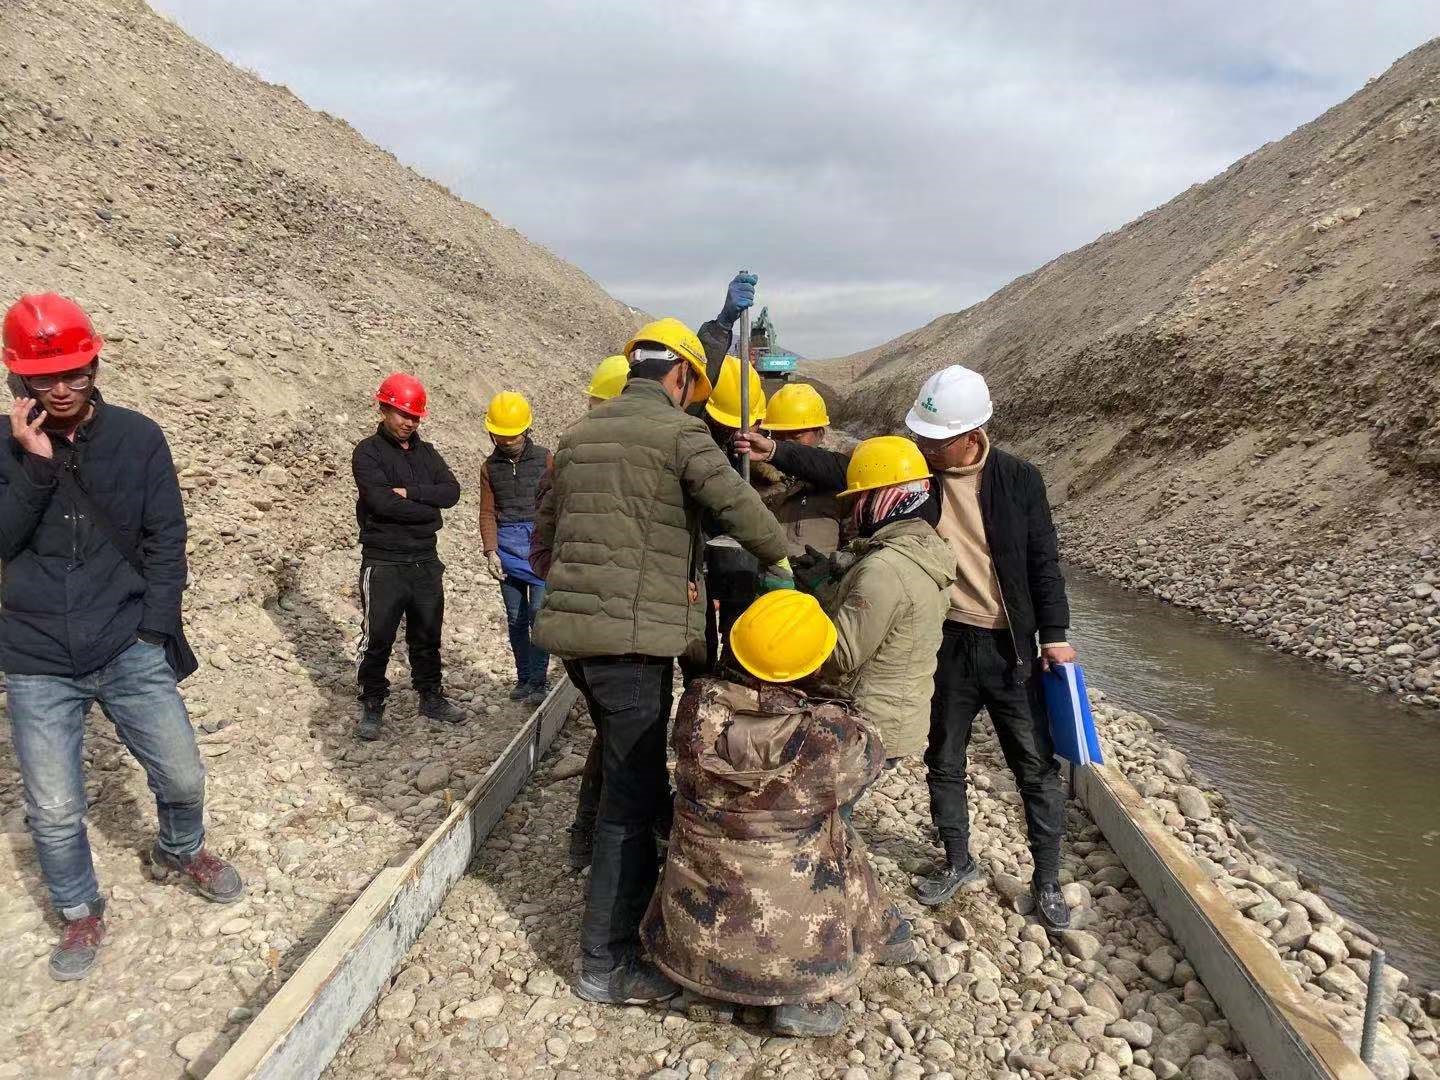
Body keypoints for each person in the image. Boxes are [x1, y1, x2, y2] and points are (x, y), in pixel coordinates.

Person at [735, 365, 1076, 930]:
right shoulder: (918, 475)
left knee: (1035, 764)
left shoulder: (1019, 479)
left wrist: (1056, 635)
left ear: (971, 435)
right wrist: (777, 450)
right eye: (922, 438)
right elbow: (848, 469)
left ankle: (1047, 880)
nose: (925, 448)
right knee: (944, 755)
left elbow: (1044, 560)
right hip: (947, 636)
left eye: (936, 441)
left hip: (1009, 643)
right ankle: (957, 858)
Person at [531, 316, 791, 1005]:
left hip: (578, 644)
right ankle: (605, 962)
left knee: (627, 773)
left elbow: (545, 539)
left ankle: (631, 908)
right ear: (679, 376)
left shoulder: (577, 437)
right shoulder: (679, 435)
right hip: (633, 647)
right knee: (631, 798)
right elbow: (740, 508)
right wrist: (783, 560)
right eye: (691, 386)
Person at [1, 293, 243, 982]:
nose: (62, 388)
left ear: (95, 365)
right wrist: (35, 465)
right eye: (45, 377)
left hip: (126, 642)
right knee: (54, 808)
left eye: (75, 371)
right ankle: (79, 911)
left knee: (182, 772)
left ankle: (179, 849)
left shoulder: (138, 438)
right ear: (19, 379)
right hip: (35, 656)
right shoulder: (3, 446)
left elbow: (167, 537)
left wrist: (153, 629)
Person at [641, 591, 918, 1038]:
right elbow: (872, 758)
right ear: (814, 664)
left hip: (697, 929)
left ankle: (709, 989)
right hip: (792, 948)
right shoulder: (830, 734)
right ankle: (799, 998)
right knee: (839, 840)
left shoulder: (698, 705)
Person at [819, 437, 956, 763]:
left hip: (869, 722)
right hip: (897, 718)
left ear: (883, 499)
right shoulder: (926, 547)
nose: (855, 512)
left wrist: (811, 605)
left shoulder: (884, 569)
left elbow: (840, 656)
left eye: (861, 499)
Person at [351, 373, 465, 740]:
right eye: (402, 414)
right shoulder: (367, 452)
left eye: (415, 416)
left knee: (428, 633)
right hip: (384, 560)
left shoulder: (427, 453)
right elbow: (380, 502)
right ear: (384, 408)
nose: (409, 422)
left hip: (424, 560)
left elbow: (451, 492)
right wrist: (428, 511)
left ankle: (431, 696)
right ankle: (372, 701)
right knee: (378, 637)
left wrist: (409, 493)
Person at [479, 391, 553, 707]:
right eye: (501, 436)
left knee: (539, 615)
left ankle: (539, 680)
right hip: (507, 550)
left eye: (513, 435)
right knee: (516, 618)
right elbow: (487, 512)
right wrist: (491, 551)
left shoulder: (546, 459)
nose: (507, 441)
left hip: (539, 546)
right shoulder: (489, 468)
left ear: (526, 429)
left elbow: (557, 503)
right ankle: (523, 678)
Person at [756, 382, 845, 558]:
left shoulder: (838, 482)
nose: (787, 443)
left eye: (796, 435)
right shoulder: (756, 478)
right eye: (779, 436)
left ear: (820, 434)